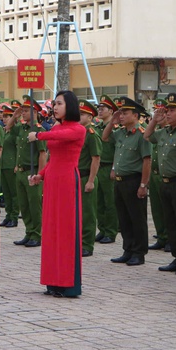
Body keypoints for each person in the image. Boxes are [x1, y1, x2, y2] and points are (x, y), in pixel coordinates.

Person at [28, 90, 86, 297]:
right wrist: (40, 175)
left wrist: (39, 135)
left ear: (70, 106)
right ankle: (53, 281)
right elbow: (53, 157)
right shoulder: (56, 126)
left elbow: (60, 137)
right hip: (52, 179)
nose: (55, 107)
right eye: (54, 104)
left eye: (59, 103)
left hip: (67, 181)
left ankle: (67, 283)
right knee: (51, 229)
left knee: (66, 230)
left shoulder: (78, 129)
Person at [102, 97, 151, 266]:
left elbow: (147, 161)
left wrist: (143, 185)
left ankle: (139, 253)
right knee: (124, 218)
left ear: (136, 116)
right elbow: (105, 137)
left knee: (137, 218)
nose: (121, 116)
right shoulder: (121, 133)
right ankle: (128, 249)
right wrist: (112, 122)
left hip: (134, 180)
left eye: (125, 113)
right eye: (120, 113)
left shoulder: (142, 134)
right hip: (120, 181)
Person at [144, 93, 176, 274]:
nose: (168, 113)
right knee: (170, 223)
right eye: (167, 110)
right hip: (165, 184)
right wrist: (155, 120)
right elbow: (147, 135)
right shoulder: (164, 132)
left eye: (172, 110)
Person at [5, 95, 47, 247]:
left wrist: (40, 175)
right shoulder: (22, 129)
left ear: (34, 112)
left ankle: (37, 234)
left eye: (25, 111)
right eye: (21, 111)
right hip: (21, 171)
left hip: (32, 171)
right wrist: (14, 116)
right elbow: (8, 128)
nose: (22, 113)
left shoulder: (38, 130)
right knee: (24, 205)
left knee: (34, 205)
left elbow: (43, 154)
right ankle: (29, 232)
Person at [77, 100, 102, 257]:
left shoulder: (91, 134)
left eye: (82, 114)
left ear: (90, 117)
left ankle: (87, 245)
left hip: (87, 176)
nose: (79, 117)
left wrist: (91, 180)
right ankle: (79, 243)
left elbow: (96, 158)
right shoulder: (79, 132)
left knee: (88, 213)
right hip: (76, 176)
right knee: (77, 213)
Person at [95, 95, 119, 244]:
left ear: (111, 111)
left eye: (103, 108)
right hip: (98, 167)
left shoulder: (116, 129)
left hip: (109, 166)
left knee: (110, 202)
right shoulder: (97, 128)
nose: (100, 110)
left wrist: (114, 168)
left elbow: (118, 150)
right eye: (99, 108)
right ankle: (102, 229)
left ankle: (110, 231)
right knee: (99, 202)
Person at [145, 98, 169, 251]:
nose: (159, 115)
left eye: (163, 112)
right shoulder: (158, 133)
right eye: (156, 112)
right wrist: (154, 120)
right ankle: (162, 237)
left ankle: (171, 239)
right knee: (156, 209)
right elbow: (147, 136)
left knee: (169, 209)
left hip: (167, 176)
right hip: (154, 175)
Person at [0, 100, 20, 227]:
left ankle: (14, 216)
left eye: (7, 116)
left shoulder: (15, 132)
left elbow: (18, 149)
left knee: (14, 193)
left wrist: (17, 164)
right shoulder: (4, 131)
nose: (4, 118)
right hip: (3, 165)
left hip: (12, 165)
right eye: (4, 116)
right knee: (6, 193)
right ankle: (8, 215)